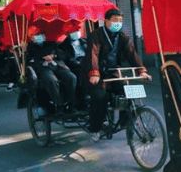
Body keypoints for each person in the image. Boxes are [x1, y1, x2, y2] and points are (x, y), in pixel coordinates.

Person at [83, 9, 149, 140]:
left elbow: (131, 53)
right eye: (115, 20)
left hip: (114, 72)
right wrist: (94, 73)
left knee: (127, 91)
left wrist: (141, 70)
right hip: (97, 75)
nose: (118, 23)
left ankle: (125, 121)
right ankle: (95, 129)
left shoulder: (122, 36)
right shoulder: (96, 35)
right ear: (106, 21)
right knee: (100, 98)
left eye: (120, 21)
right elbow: (93, 54)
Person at [26, 25, 77, 113]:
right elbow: (29, 58)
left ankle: (71, 104)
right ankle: (58, 104)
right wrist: (42, 57)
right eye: (36, 34)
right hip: (43, 68)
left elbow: (62, 54)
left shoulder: (52, 43)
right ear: (31, 37)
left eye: (41, 33)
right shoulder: (29, 47)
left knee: (72, 77)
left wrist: (54, 55)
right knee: (51, 80)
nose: (40, 35)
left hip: (58, 66)